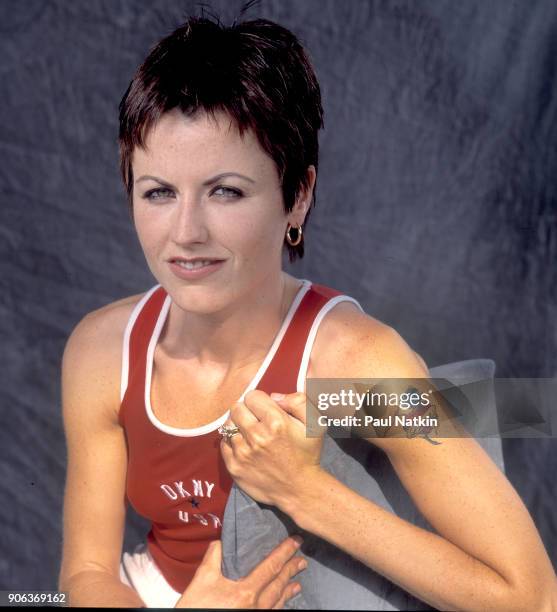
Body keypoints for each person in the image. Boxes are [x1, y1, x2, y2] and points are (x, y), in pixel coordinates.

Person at [57, 9, 557, 611]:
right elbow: (85, 574)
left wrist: (307, 491)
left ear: (298, 195)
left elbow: (531, 597)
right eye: (158, 192)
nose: (185, 233)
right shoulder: (102, 350)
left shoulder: (357, 363)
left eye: (226, 191)